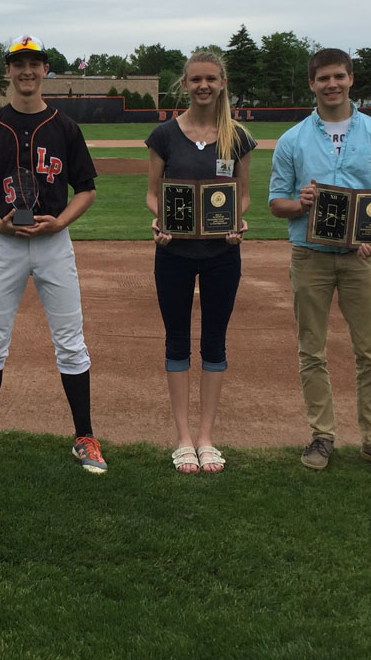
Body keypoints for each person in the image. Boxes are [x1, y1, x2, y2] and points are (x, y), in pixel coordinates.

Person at [0, 35, 106, 474]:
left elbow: (87, 190)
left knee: (71, 342)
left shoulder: (64, 126)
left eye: (34, 64)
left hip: (54, 243)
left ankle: (85, 438)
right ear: (9, 72)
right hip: (5, 244)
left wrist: (62, 222)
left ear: (44, 71)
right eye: (19, 65)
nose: (26, 72)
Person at [268, 48, 371, 475]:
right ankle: (322, 435)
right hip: (310, 256)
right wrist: (301, 203)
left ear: (351, 79)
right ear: (311, 84)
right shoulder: (293, 139)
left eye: (339, 77)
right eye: (323, 78)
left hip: (359, 260)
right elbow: (277, 204)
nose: (331, 84)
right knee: (311, 349)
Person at [145, 52, 255, 474]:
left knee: (214, 341)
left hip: (222, 253)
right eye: (195, 79)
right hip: (173, 251)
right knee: (176, 340)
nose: (203, 85)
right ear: (185, 84)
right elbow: (153, 192)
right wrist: (158, 218)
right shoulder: (164, 135)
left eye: (211, 78)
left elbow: (241, 193)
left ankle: (207, 437)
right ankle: (183, 439)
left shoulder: (238, 137)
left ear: (223, 82)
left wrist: (238, 219)